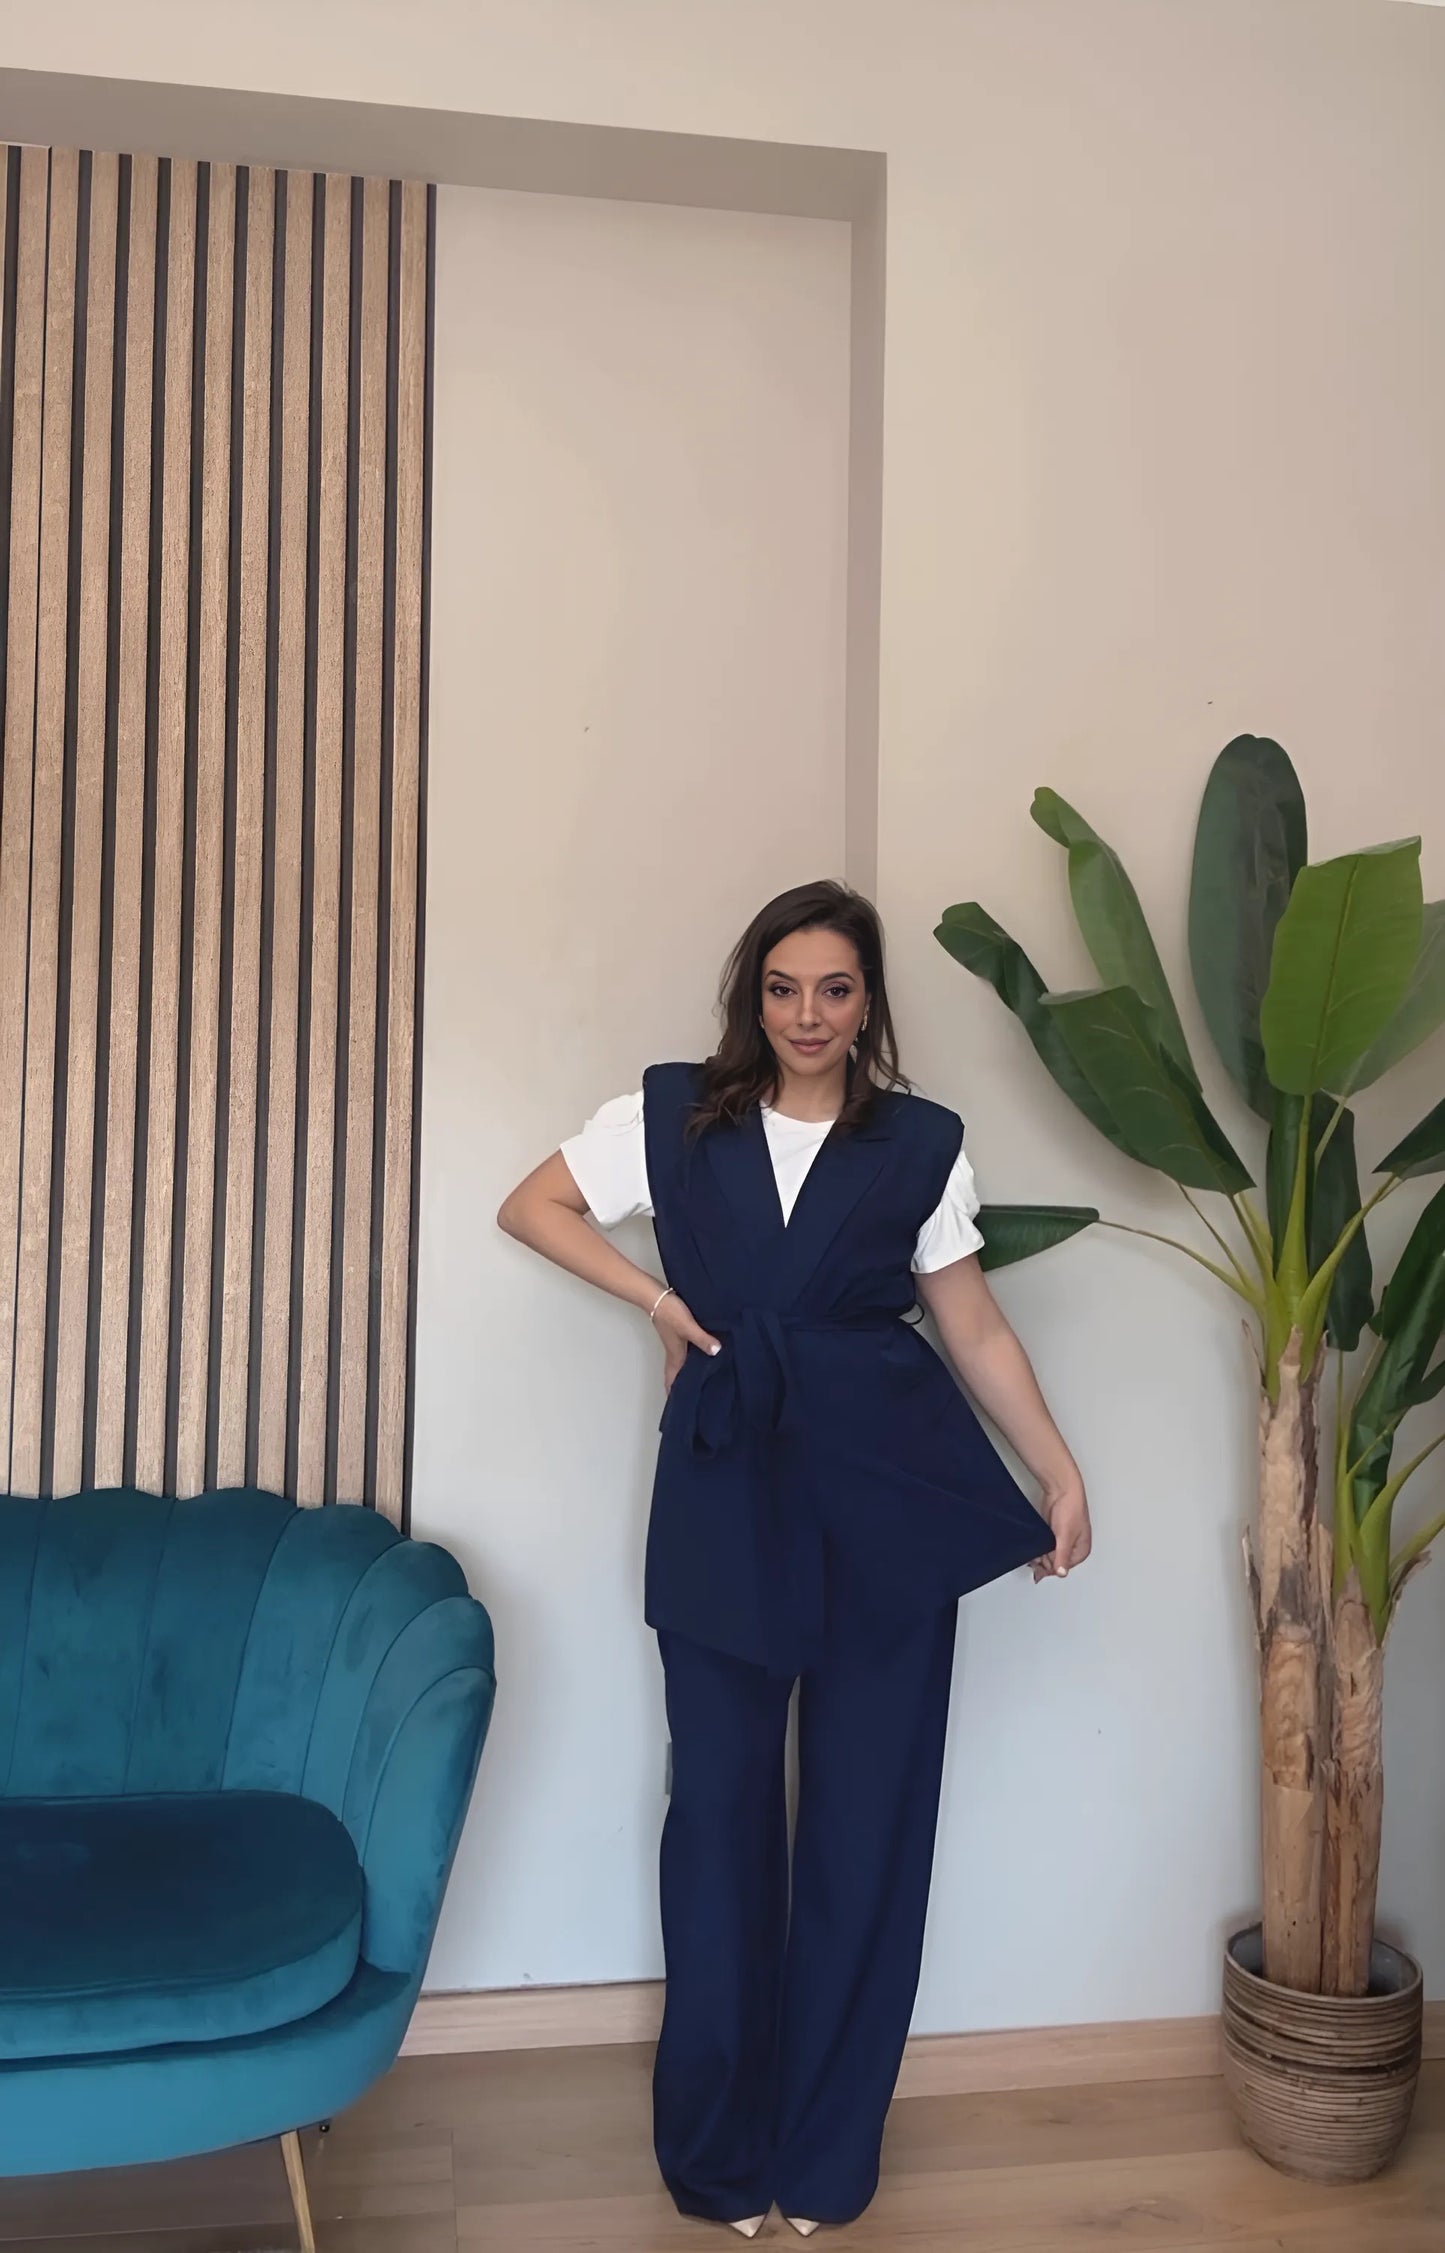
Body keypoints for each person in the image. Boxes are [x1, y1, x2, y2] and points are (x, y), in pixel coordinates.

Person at [497, 878, 1090, 2238]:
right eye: (782, 987)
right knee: (717, 1825)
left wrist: (1058, 1470)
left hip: (886, 1496)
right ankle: (718, 2157)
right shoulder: (671, 1118)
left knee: (867, 1826)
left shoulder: (919, 1145)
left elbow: (972, 1327)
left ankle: (824, 2159)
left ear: (866, 1000)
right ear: (750, 996)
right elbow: (533, 1205)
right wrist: (659, 1300)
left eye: (834, 988)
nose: (807, 1014)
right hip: (725, 1488)